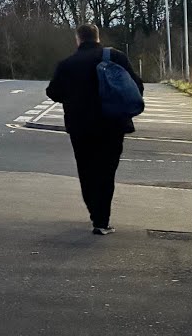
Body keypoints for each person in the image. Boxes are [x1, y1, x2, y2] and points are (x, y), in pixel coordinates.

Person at [45, 23, 144, 235]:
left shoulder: (67, 64)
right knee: (106, 171)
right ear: (97, 37)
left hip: (80, 126)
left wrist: (73, 97)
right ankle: (102, 220)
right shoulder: (115, 57)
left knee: (86, 170)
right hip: (113, 124)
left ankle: (94, 212)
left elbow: (53, 92)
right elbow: (137, 86)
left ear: (78, 39)